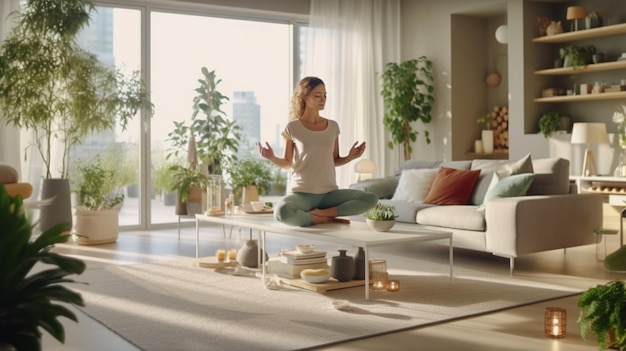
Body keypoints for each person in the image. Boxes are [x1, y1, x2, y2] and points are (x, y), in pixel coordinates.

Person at [258, 76, 378, 227]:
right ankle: (324, 219)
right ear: (304, 97)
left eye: (325, 95)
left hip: (329, 194)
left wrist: (351, 156)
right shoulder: (293, 128)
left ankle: (323, 214)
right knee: (282, 211)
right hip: (301, 193)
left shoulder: (333, 127)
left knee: (370, 199)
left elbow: (334, 160)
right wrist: (271, 157)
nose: (323, 99)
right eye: (317, 95)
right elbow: (288, 163)